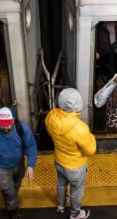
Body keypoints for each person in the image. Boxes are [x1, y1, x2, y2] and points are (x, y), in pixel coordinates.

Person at [0, 107, 38, 219]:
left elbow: (31, 145)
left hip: (19, 165)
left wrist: (31, 166)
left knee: (16, 185)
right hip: (1, 169)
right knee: (7, 190)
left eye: (7, 124)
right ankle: (12, 210)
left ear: (13, 120)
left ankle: (12, 199)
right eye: (1, 124)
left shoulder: (22, 127)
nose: (4, 127)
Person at [45, 88, 96, 219]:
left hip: (59, 161)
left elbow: (51, 133)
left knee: (61, 184)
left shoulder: (51, 117)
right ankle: (75, 213)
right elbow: (90, 150)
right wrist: (90, 136)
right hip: (75, 167)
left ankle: (61, 205)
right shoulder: (80, 128)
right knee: (76, 191)